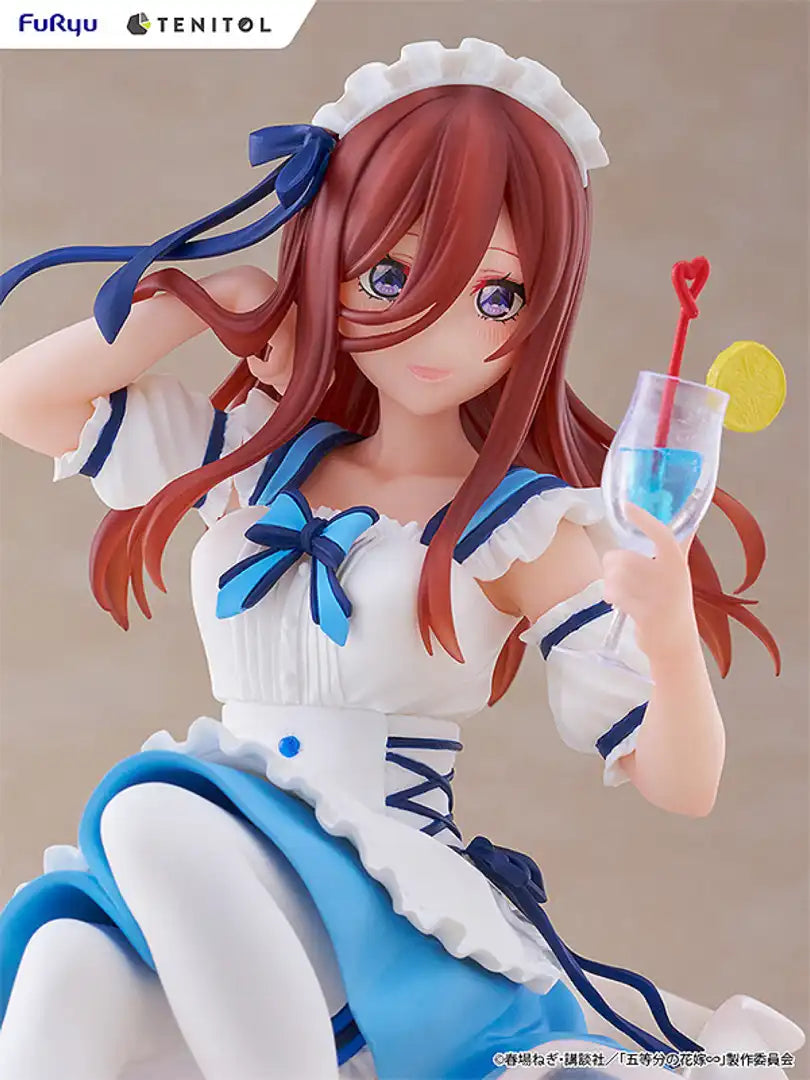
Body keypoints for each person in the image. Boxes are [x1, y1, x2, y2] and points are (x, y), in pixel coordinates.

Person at [0, 37, 802, 1080]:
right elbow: (26, 400)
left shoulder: (515, 526)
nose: (439, 330)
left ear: (543, 311)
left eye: (499, 296)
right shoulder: (255, 465)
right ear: (327, 260)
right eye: (389, 274)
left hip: (381, 886)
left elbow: (682, 784)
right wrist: (219, 296)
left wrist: (666, 629)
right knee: (65, 961)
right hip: (220, 875)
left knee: (148, 808)